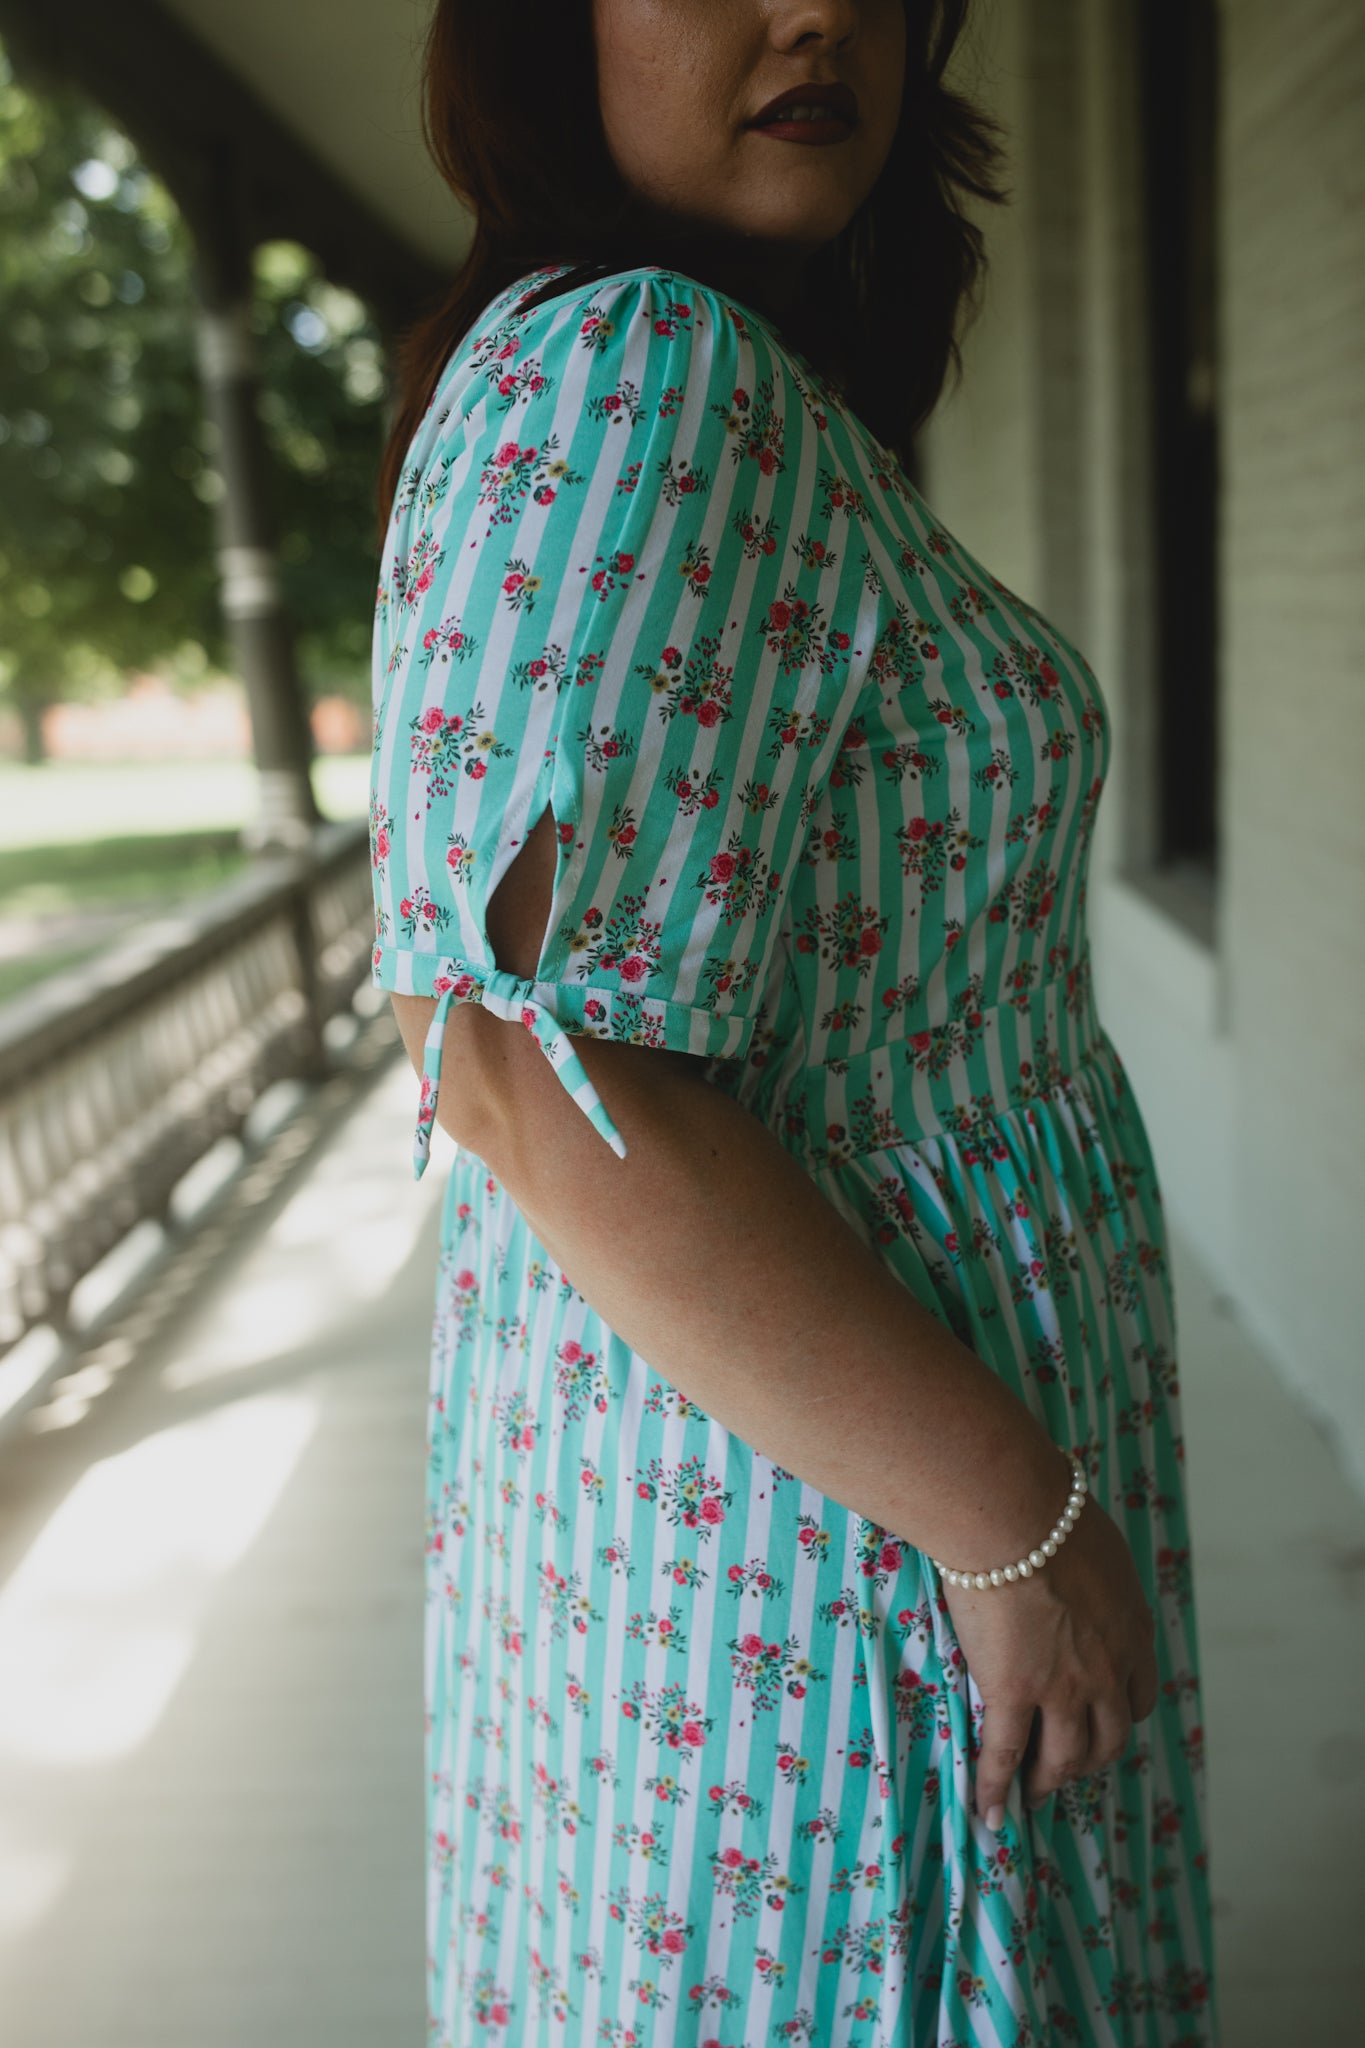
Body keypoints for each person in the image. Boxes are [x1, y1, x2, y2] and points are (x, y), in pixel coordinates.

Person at [368, 2, 1220, 2041]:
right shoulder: (642, 370)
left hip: (798, 1521)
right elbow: (521, 1070)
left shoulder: (673, 381)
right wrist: (1003, 1512)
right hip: (842, 1566)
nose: (814, 8)